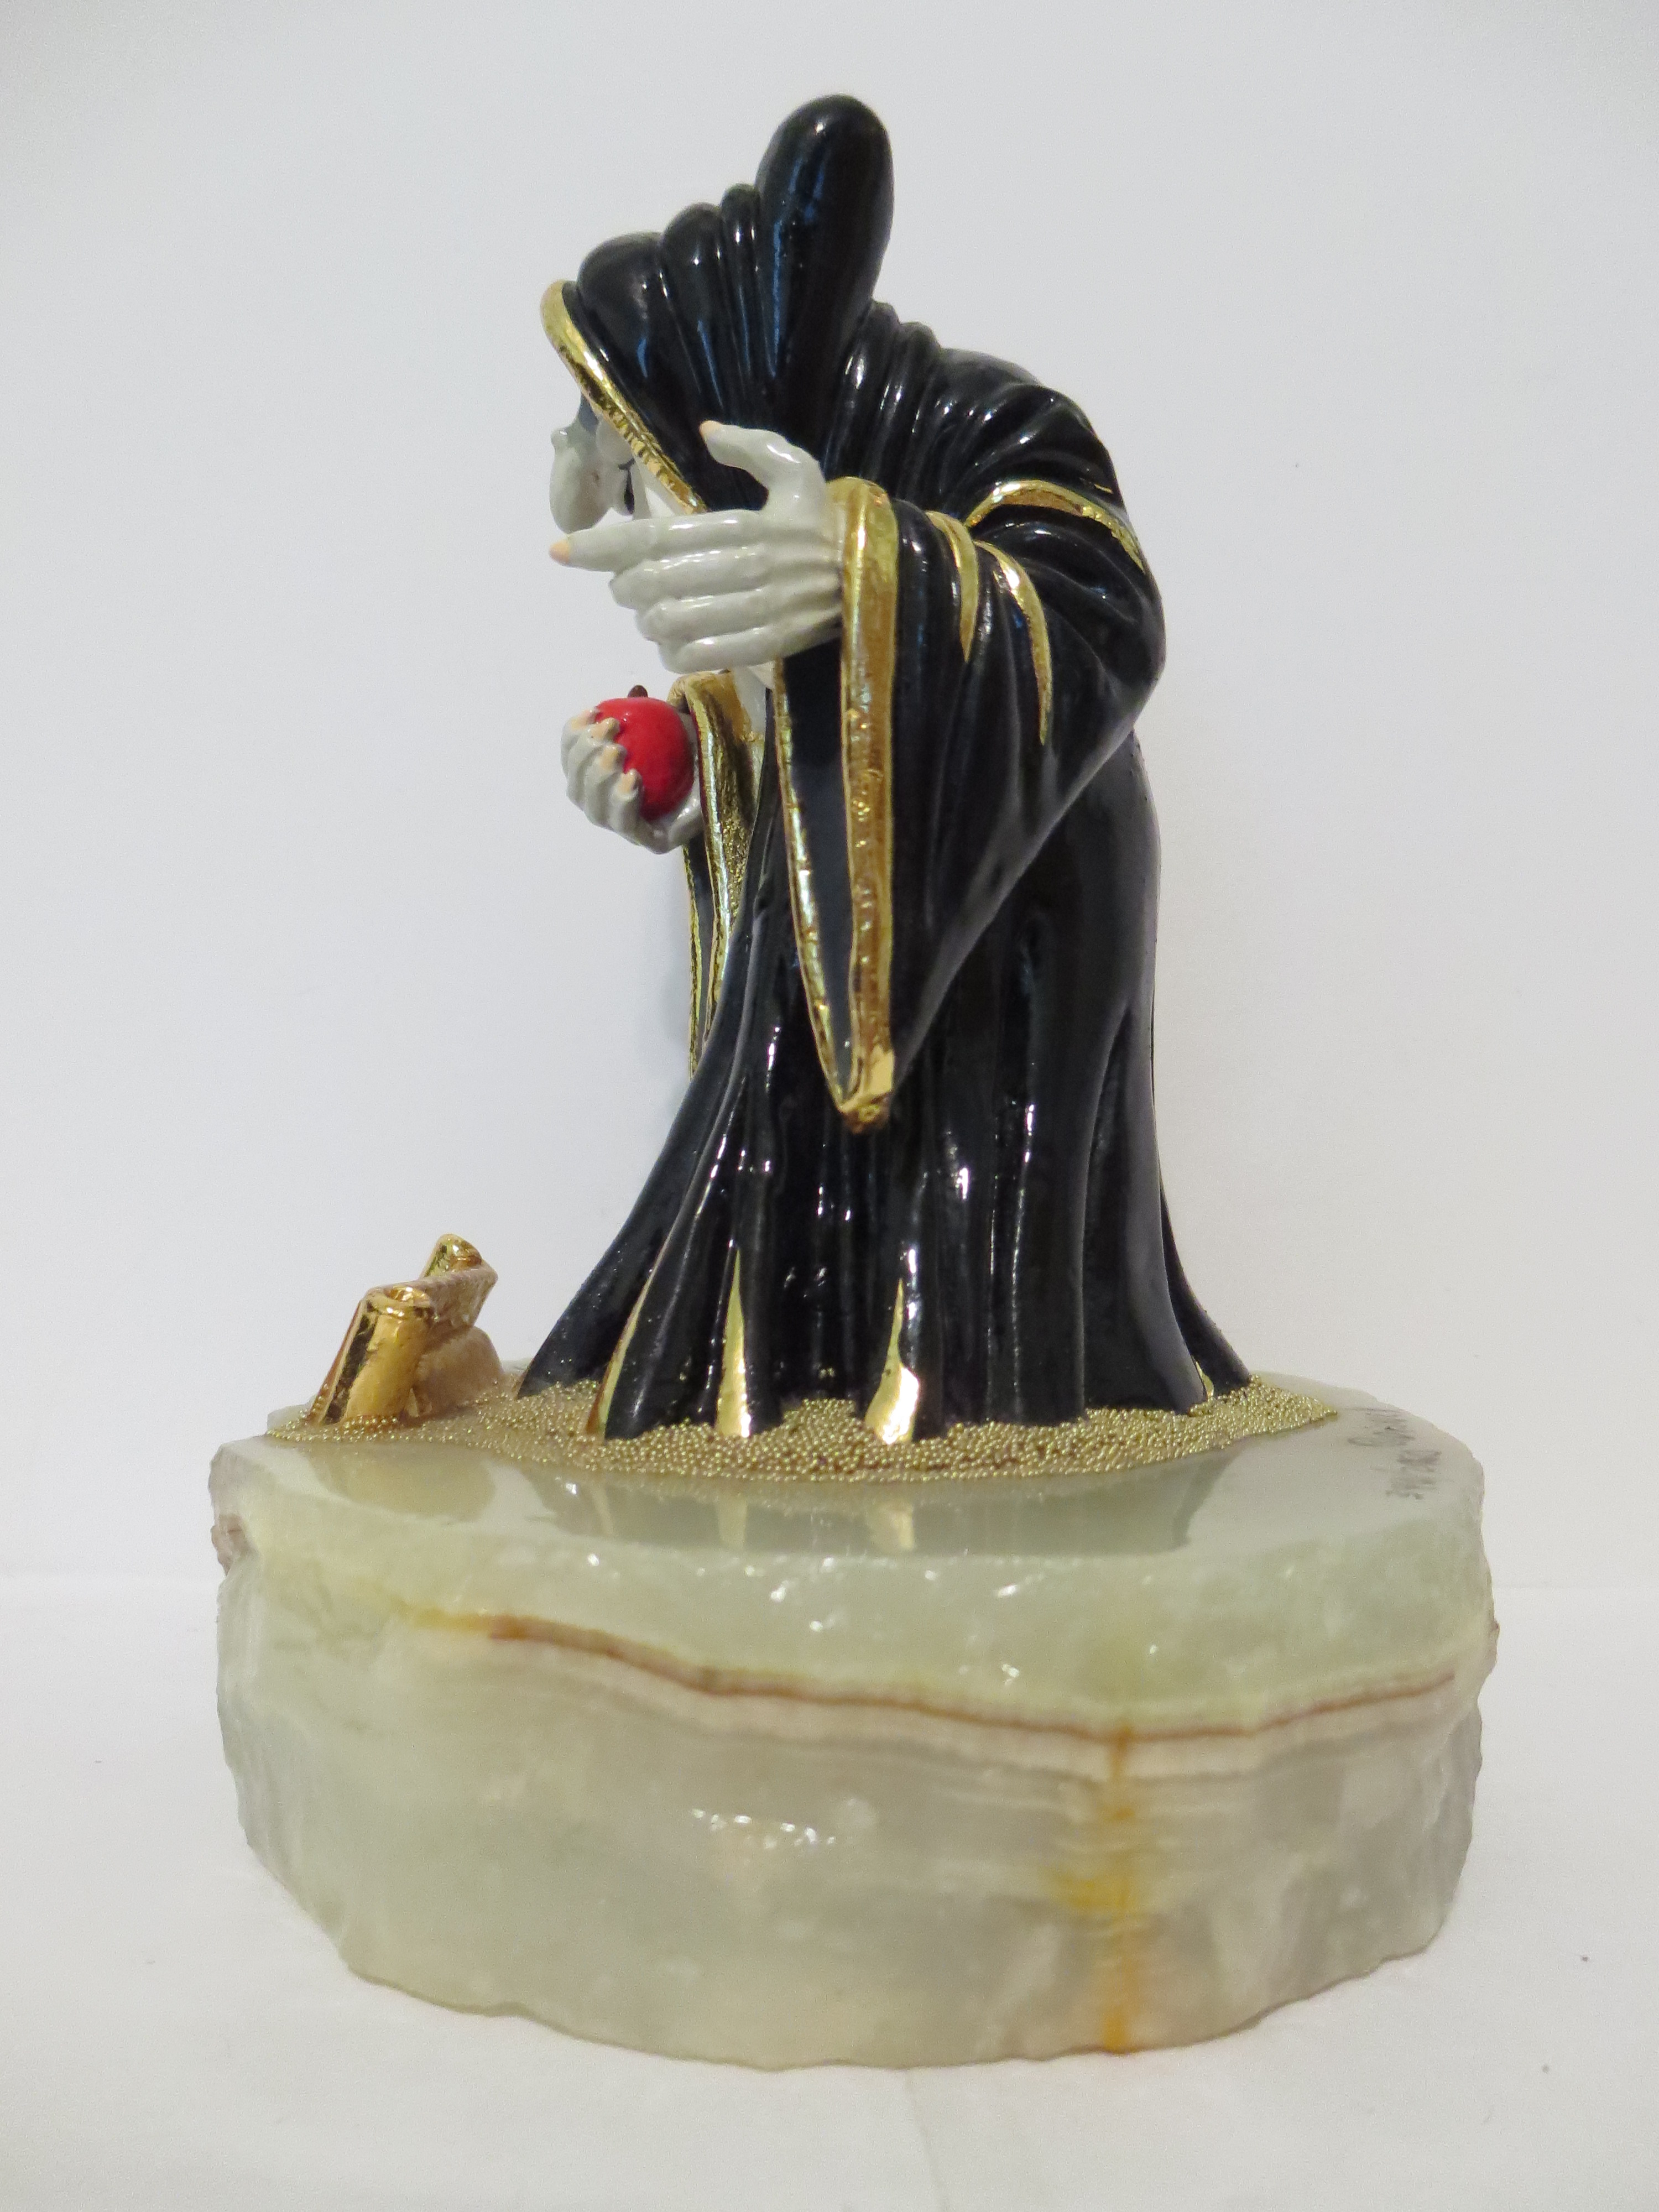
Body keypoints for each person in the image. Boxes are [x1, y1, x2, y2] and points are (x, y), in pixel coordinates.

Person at [521, 93, 1249, 1444]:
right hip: (827, 928)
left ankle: (995, 1412)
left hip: (1023, 903)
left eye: (633, 465)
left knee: (982, 1187)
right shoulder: (766, 482)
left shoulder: (992, 425)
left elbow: (1110, 613)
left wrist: (864, 567)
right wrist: (692, 765)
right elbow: (776, 714)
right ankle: (804, 1373)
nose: (630, 515)